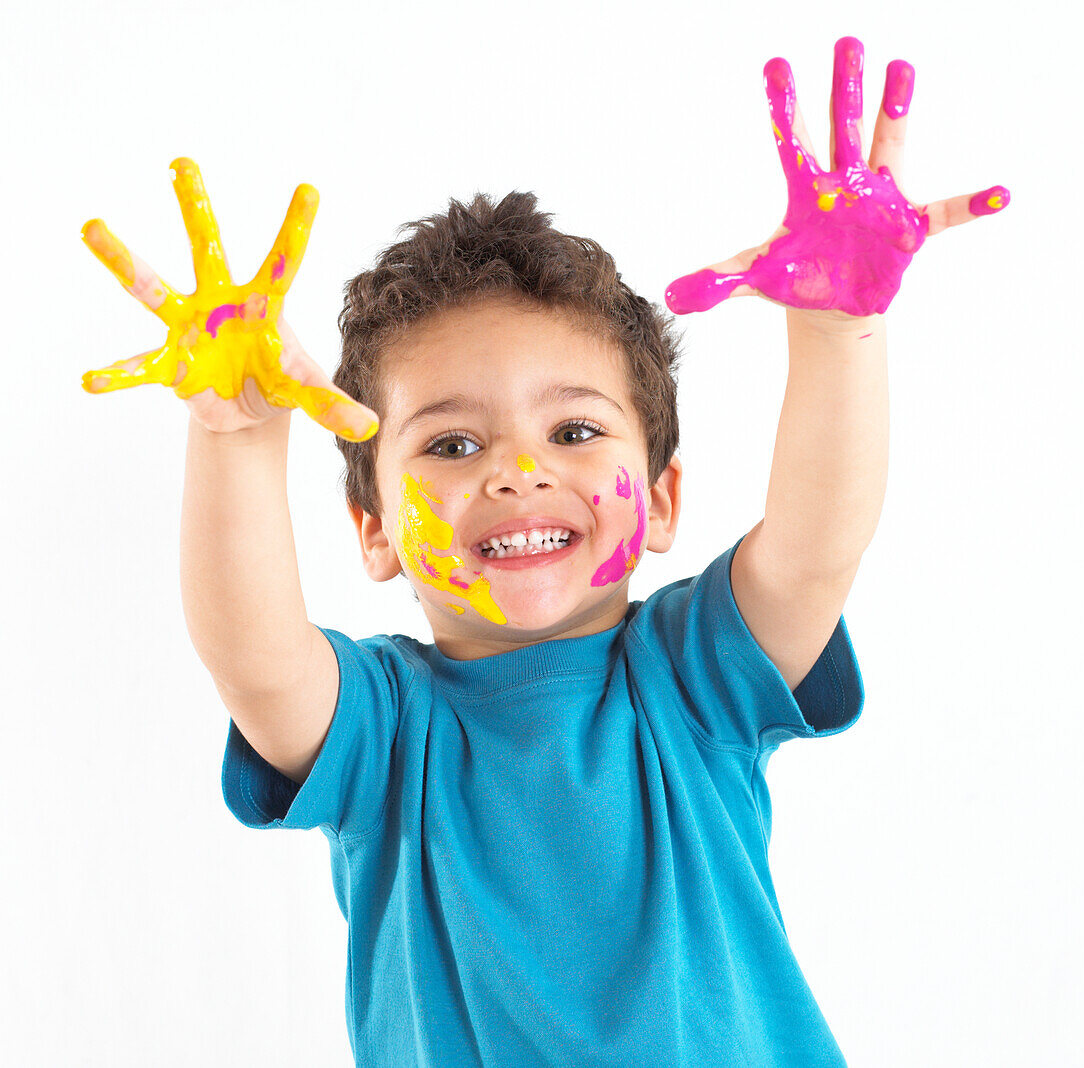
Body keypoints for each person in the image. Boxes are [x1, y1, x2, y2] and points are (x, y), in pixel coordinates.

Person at [82, 37, 1007, 1068]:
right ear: (374, 530)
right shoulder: (384, 730)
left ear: (659, 502)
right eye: (451, 443)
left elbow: (812, 547)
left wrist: (840, 334)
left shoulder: (690, 675)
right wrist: (238, 438)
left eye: (572, 432)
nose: (516, 472)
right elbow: (253, 655)